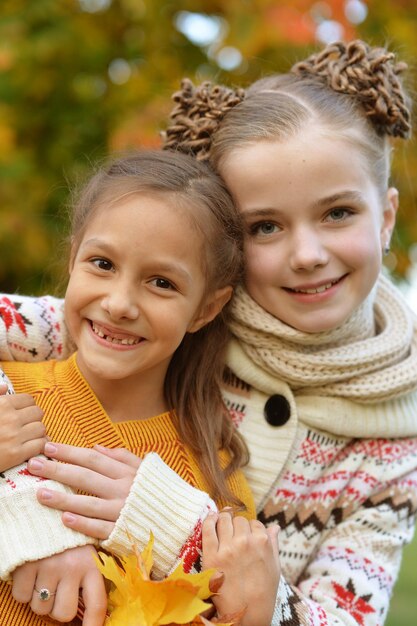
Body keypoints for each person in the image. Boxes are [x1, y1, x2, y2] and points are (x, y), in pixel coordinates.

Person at [1, 39, 417, 626]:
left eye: (338, 213)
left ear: (388, 217)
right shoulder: (161, 322)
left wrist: (179, 527)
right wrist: (18, 501)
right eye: (265, 226)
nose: (306, 254)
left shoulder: (393, 442)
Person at [0, 149, 281, 626]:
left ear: (206, 309)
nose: (120, 303)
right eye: (102, 263)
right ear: (73, 258)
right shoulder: (12, 398)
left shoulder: (212, 481)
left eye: (161, 283)